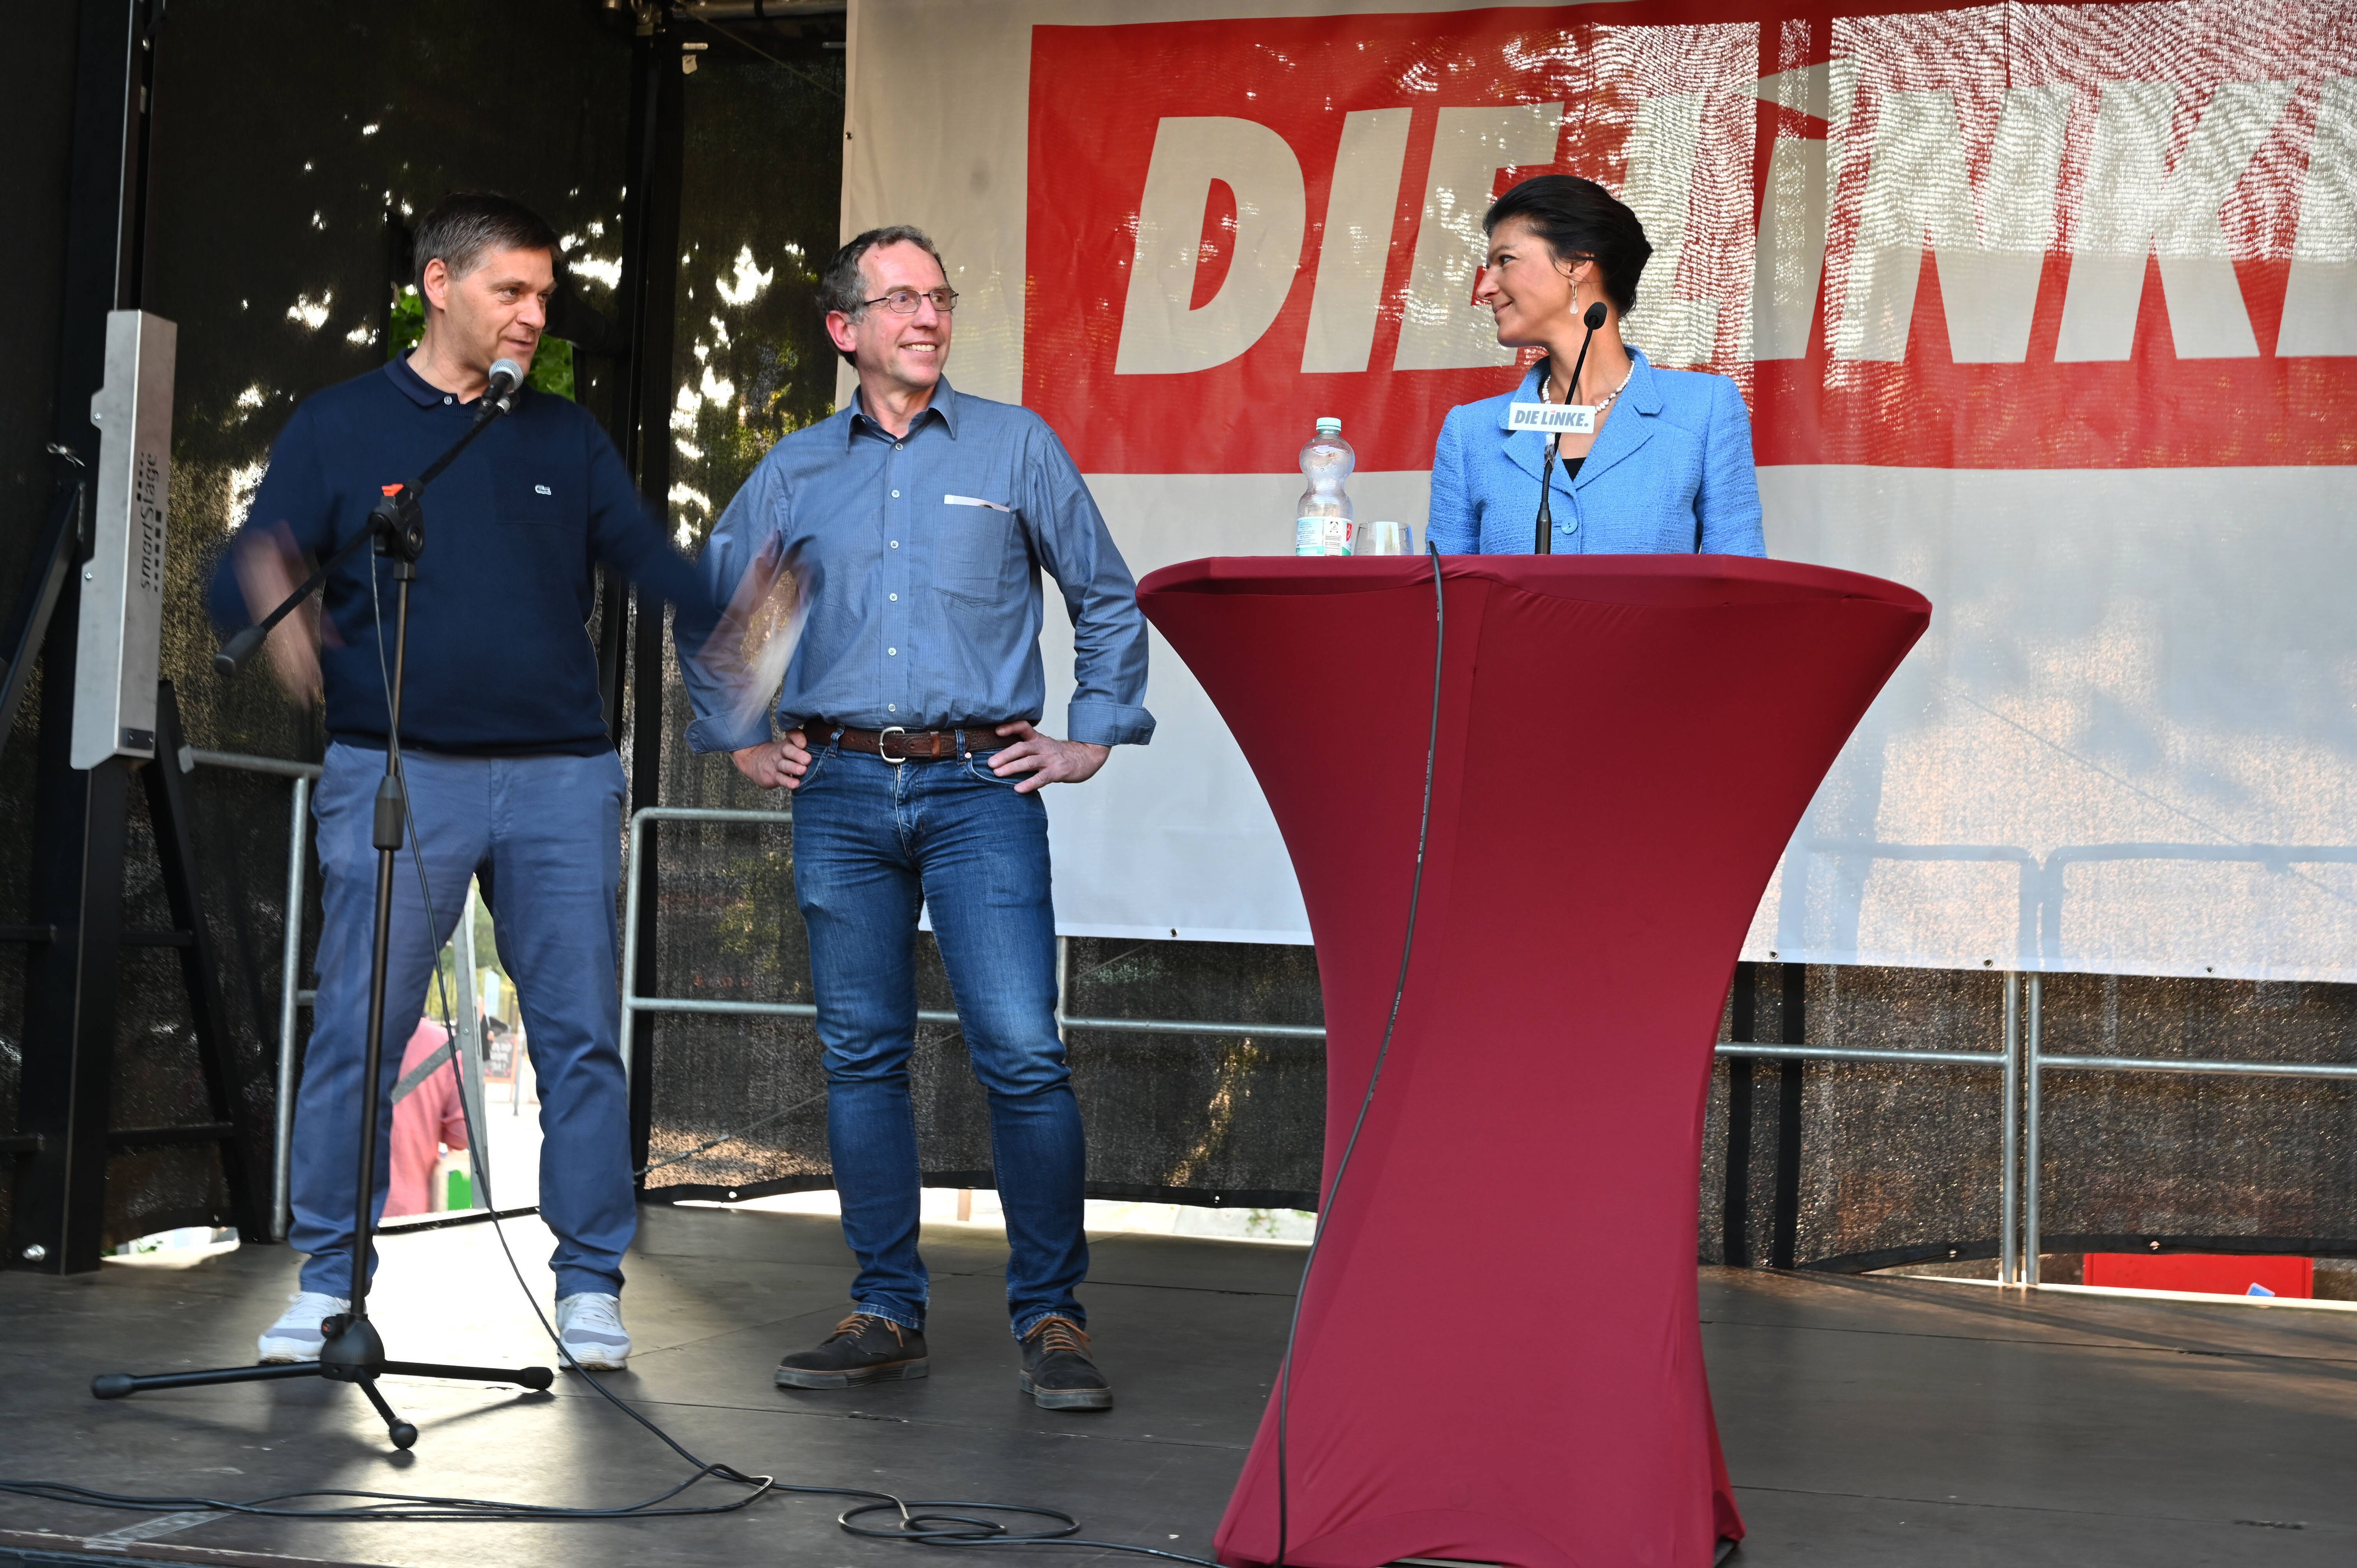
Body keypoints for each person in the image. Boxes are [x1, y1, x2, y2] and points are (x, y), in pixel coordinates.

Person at [211, 191, 718, 1372]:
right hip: (395, 771)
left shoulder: (565, 436)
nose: (535, 314)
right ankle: (328, 1284)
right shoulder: (341, 424)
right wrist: (266, 598)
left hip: (561, 779)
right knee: (360, 1031)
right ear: (439, 286)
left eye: (546, 294)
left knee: (579, 1038)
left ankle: (589, 1285)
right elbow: (251, 564)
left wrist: (741, 609)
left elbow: (651, 561)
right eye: (512, 290)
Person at [680, 225, 1153, 1410]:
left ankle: (1052, 1317)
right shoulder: (796, 468)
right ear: (845, 329)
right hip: (839, 788)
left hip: (979, 785)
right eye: (899, 300)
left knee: (1022, 1052)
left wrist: (1092, 731)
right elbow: (718, 604)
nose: (928, 316)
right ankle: (885, 1310)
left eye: (938, 296)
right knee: (861, 1056)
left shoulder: (1015, 444)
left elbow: (1104, 594)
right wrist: (740, 735)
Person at [1426, 175, 1766, 556]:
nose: (1484, 288)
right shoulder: (1469, 432)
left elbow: (1738, 579)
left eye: (1505, 260)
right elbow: (1445, 589)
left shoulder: (1705, 408)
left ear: (1577, 263)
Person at [383, 1019, 468, 1219]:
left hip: (337, 1211)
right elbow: (462, 1136)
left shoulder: (338, 1030)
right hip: (408, 1208)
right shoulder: (445, 1044)